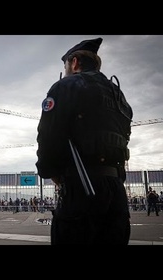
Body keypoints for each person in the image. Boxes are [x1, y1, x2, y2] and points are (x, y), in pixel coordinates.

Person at [35, 37, 133, 245]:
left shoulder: (66, 86)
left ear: (75, 62)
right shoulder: (119, 95)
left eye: (66, 65)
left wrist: (50, 171)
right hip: (116, 191)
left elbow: (48, 136)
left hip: (81, 189)